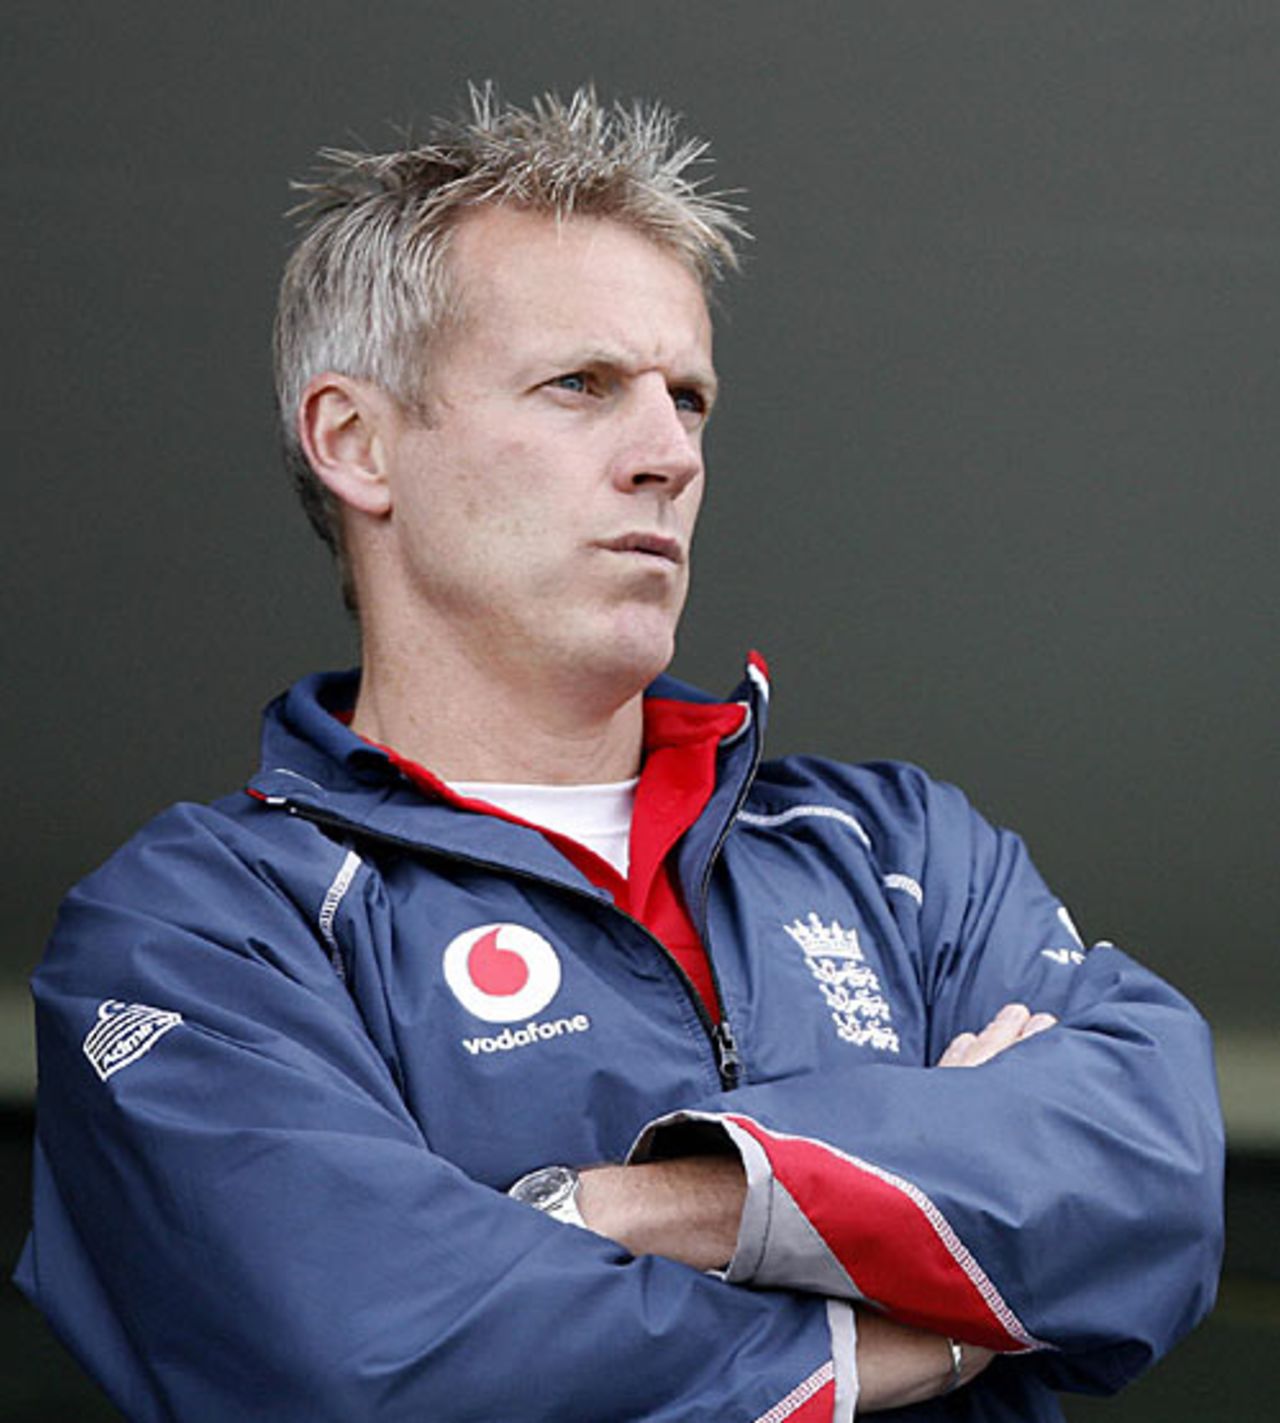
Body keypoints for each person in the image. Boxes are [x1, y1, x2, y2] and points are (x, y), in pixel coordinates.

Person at [17, 86, 1222, 1421]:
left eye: (687, 398)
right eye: (580, 386)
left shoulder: (901, 853)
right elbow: (382, 1359)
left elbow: (1156, 1173)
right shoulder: (197, 930)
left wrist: (646, 1206)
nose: (667, 456)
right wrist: (919, 1323)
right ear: (357, 443)